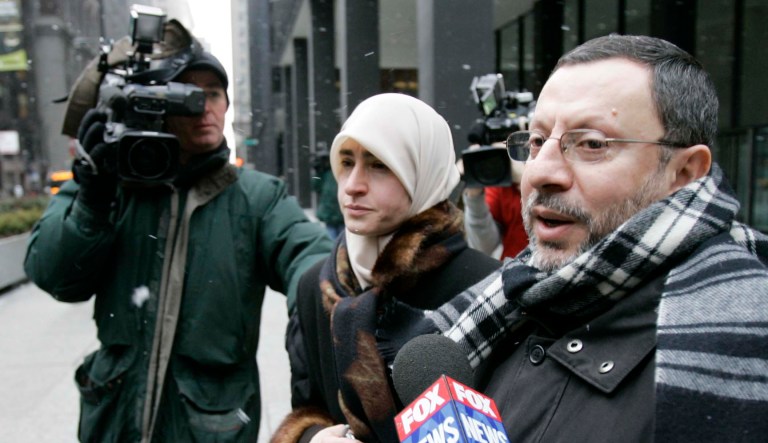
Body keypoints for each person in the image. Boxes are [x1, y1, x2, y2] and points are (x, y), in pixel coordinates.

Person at [406, 34, 768, 442]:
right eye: (538, 141)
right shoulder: (509, 301)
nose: (540, 173)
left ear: (683, 173)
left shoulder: (745, 344)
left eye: (592, 144)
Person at [23, 39, 332, 441]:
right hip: (113, 421)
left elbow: (310, 258)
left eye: (214, 94)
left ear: (227, 105)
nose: (204, 107)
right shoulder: (112, 181)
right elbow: (52, 274)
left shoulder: (257, 197)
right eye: (186, 95)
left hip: (212, 427)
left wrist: (330, 305)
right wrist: (91, 197)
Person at [270, 93, 501, 442]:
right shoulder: (317, 284)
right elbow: (309, 403)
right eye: (346, 163)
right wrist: (311, 437)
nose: (352, 185)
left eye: (379, 165)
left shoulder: (487, 286)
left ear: (423, 172)